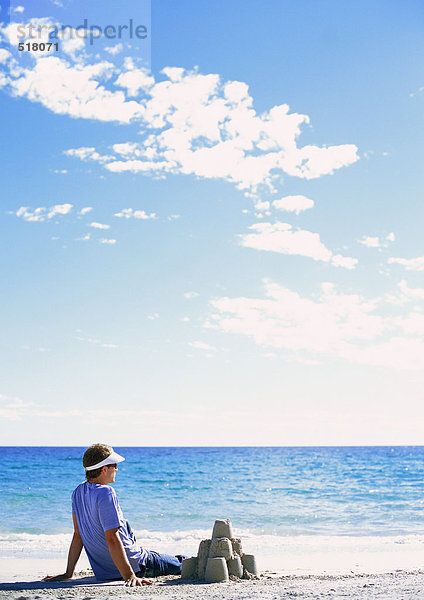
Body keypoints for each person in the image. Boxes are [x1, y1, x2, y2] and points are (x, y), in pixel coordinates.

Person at [43, 443, 185, 586]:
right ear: (104, 469)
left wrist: (68, 573)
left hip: (105, 573)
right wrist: (129, 575)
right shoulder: (106, 492)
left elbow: (78, 535)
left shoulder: (77, 492)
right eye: (114, 466)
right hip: (138, 565)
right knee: (182, 563)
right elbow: (111, 538)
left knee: (125, 524)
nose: (117, 469)